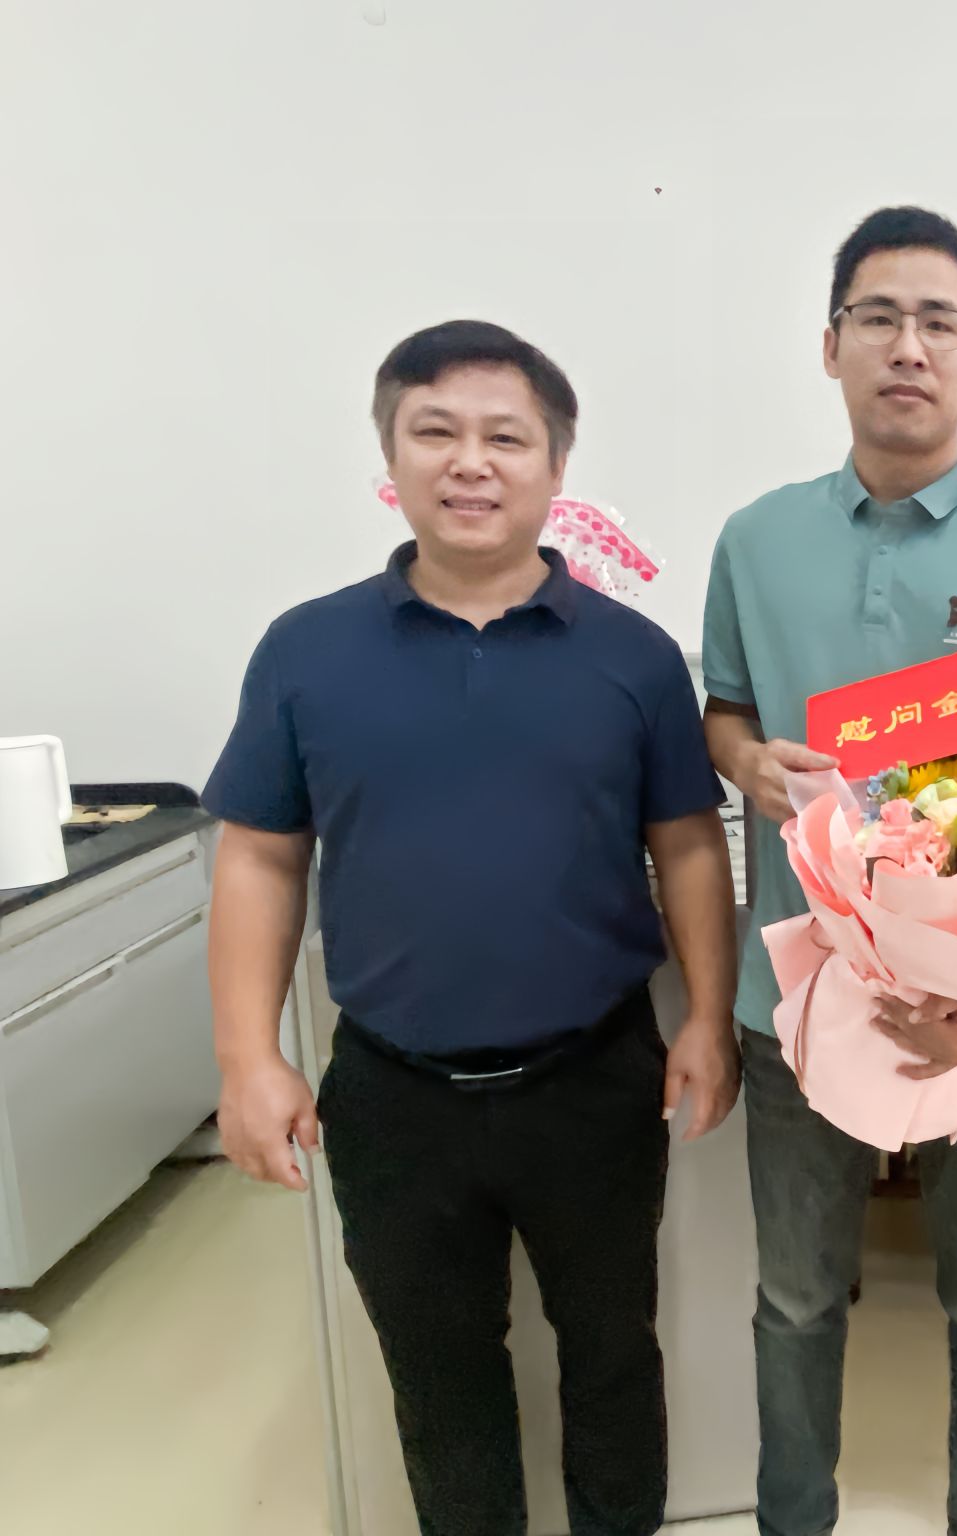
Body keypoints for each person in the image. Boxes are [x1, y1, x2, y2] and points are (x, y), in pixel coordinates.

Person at [205, 320, 739, 1536]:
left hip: (593, 1079)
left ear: (556, 467)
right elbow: (261, 854)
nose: (470, 462)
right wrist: (247, 1056)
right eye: (435, 432)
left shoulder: (633, 657)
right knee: (439, 1377)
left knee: (612, 1353)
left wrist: (707, 1018)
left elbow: (687, 844)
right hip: (392, 1093)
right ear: (390, 458)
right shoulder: (306, 650)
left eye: (506, 437)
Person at [699, 207, 957, 1536]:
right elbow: (724, 708)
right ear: (829, 346)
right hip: (796, 998)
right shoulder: (754, 541)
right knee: (794, 1300)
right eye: (876, 317)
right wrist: (748, 761)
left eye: (941, 321)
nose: (908, 346)